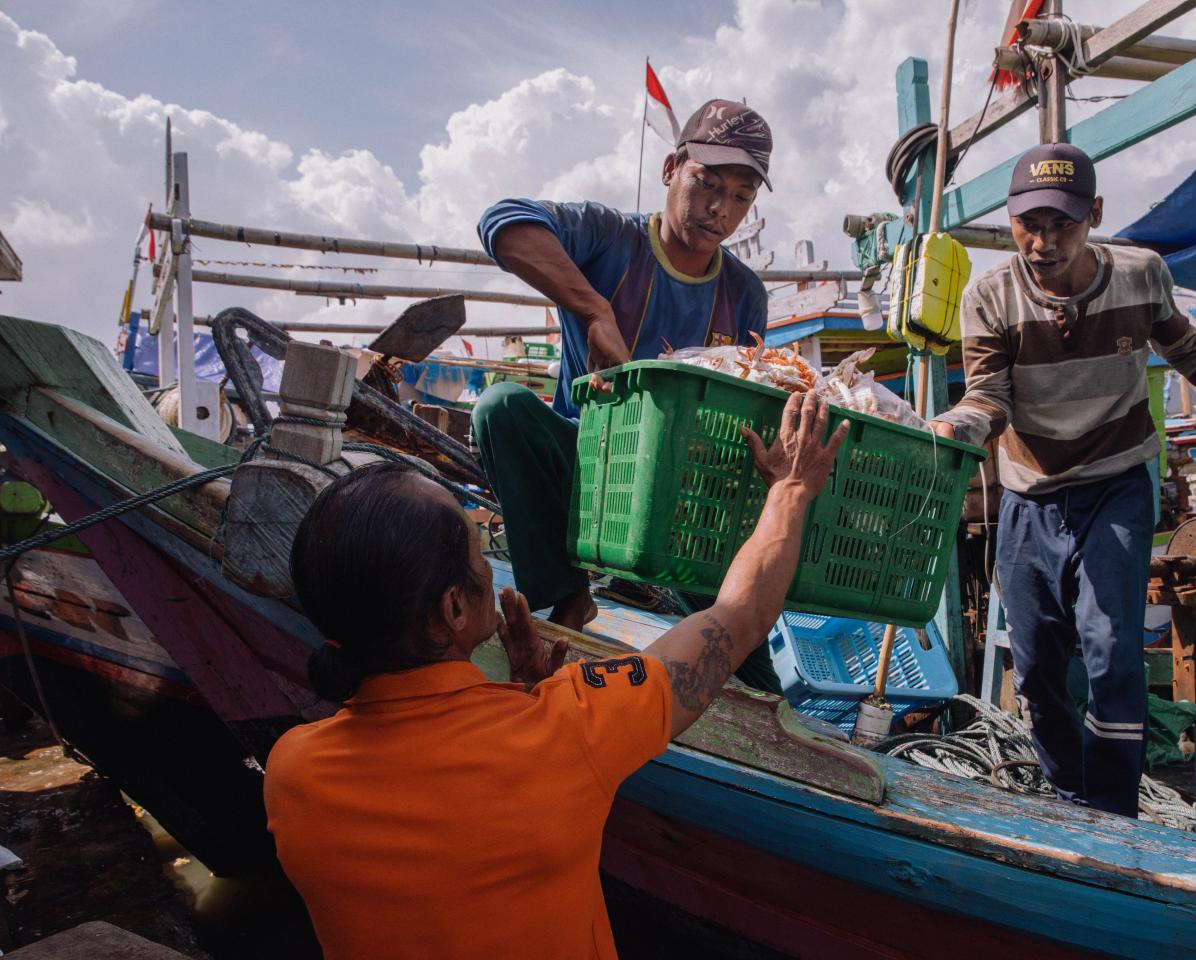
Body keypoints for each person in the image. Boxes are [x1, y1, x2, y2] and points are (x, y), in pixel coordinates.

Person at [265, 392, 848, 960]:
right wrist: (792, 489)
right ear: (453, 610)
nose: (489, 571)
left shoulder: (292, 772)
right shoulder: (567, 729)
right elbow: (738, 618)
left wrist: (522, 694)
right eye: (477, 556)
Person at [931, 143, 1196, 817]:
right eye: (1028, 225)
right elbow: (988, 396)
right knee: (1038, 663)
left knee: (1110, 649)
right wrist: (953, 430)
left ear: (1094, 214)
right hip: (1029, 495)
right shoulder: (988, 296)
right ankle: (1067, 792)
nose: (1042, 242)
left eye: (1061, 225)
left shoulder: (1140, 276)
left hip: (1117, 484)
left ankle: (1114, 808)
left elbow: (1192, 354)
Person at [470, 99, 774, 633]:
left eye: (740, 197)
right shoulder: (611, 237)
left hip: (684, 504)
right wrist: (593, 309)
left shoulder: (744, 293)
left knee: (739, 655)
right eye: (706, 183)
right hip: (588, 475)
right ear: (669, 169)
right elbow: (504, 222)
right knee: (499, 407)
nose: (719, 209)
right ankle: (568, 594)